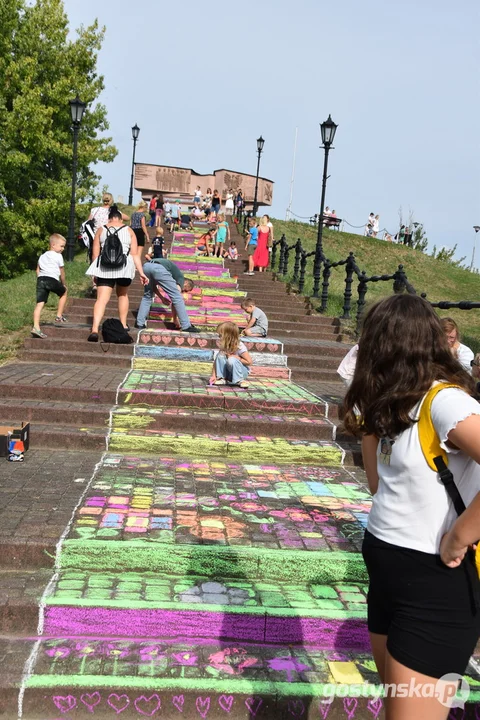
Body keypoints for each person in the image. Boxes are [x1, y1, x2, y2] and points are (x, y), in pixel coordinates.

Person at [342, 294, 480, 720]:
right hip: (388, 582)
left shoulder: (445, 401)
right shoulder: (399, 404)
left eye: (372, 343)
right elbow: (375, 483)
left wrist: (461, 536)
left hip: (434, 590)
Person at [85, 205, 148, 342]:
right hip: (124, 268)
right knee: (122, 295)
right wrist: (141, 273)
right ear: (120, 218)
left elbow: (95, 254)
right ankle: (124, 324)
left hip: (104, 268)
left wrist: (94, 274)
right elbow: (135, 255)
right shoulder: (129, 230)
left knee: (101, 299)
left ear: (109, 218)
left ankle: (95, 329)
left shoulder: (101, 230)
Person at [135, 257, 199, 333]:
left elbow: (153, 287)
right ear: (185, 283)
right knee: (178, 297)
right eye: (185, 290)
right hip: (159, 268)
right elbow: (175, 298)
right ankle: (186, 325)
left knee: (147, 296)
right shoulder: (180, 278)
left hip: (146, 266)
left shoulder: (172, 273)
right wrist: (175, 319)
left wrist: (161, 298)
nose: (183, 291)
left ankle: (140, 323)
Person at [31, 234, 68, 338]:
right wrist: (63, 283)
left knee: (39, 304)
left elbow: (37, 270)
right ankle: (59, 316)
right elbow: (62, 271)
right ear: (53, 245)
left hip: (41, 279)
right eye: (61, 246)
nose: (63, 249)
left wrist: (41, 278)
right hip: (52, 279)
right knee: (64, 292)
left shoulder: (42, 256)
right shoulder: (58, 256)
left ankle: (36, 327)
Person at [210, 321, 252, 388]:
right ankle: (221, 378)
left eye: (220, 335)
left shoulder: (239, 346)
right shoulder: (224, 346)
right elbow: (216, 362)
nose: (219, 337)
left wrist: (237, 358)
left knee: (232, 359)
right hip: (230, 373)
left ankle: (240, 380)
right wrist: (214, 375)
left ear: (228, 336)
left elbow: (249, 362)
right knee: (220, 355)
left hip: (241, 372)